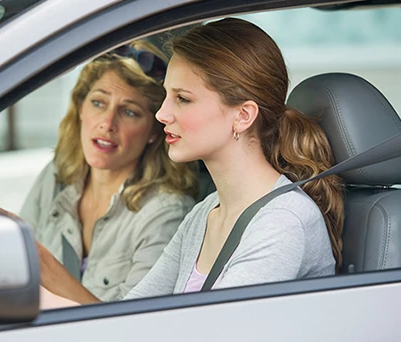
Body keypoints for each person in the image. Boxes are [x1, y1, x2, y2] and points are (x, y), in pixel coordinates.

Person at [121, 17, 345, 298]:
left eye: (183, 99)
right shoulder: (205, 213)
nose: (161, 114)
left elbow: (215, 332)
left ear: (243, 116)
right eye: (167, 95)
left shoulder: (282, 222)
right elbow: (137, 309)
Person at [0, 40, 198, 303]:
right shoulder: (58, 175)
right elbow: (16, 272)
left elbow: (131, 328)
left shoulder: (166, 212)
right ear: (81, 108)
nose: (107, 123)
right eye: (99, 103)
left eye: (129, 112)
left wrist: (41, 260)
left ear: (153, 132)